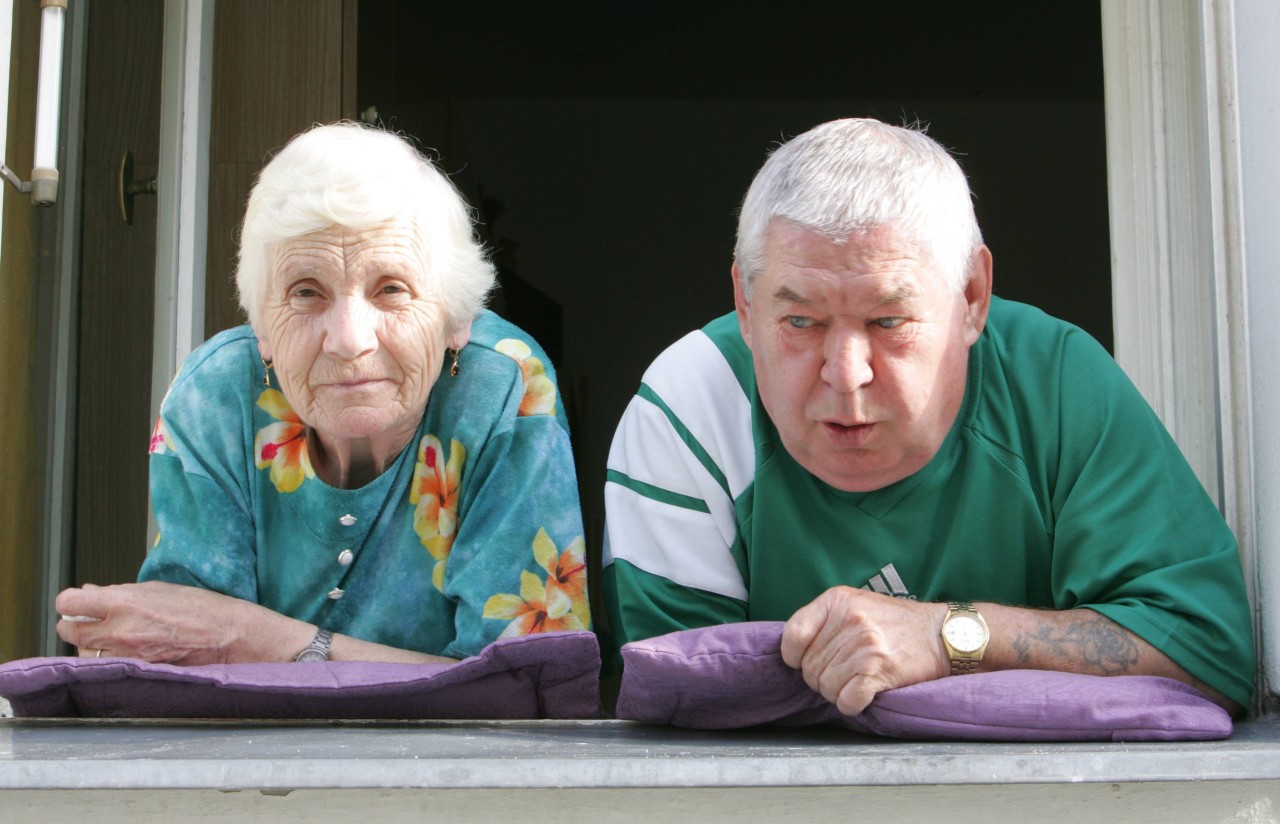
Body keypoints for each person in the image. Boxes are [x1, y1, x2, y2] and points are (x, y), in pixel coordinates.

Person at [602, 117, 1254, 715]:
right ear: (745, 305)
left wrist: (948, 635)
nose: (846, 372)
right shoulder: (691, 405)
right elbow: (688, 723)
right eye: (800, 321)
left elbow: (1208, 653)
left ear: (972, 297)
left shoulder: (1057, 381)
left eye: (888, 321)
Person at [57, 123, 588, 665]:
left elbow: (531, 688)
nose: (349, 340)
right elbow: (186, 664)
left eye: (391, 289)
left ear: (456, 320)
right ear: (262, 326)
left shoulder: (505, 388)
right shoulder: (216, 396)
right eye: (306, 292)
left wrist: (267, 642)